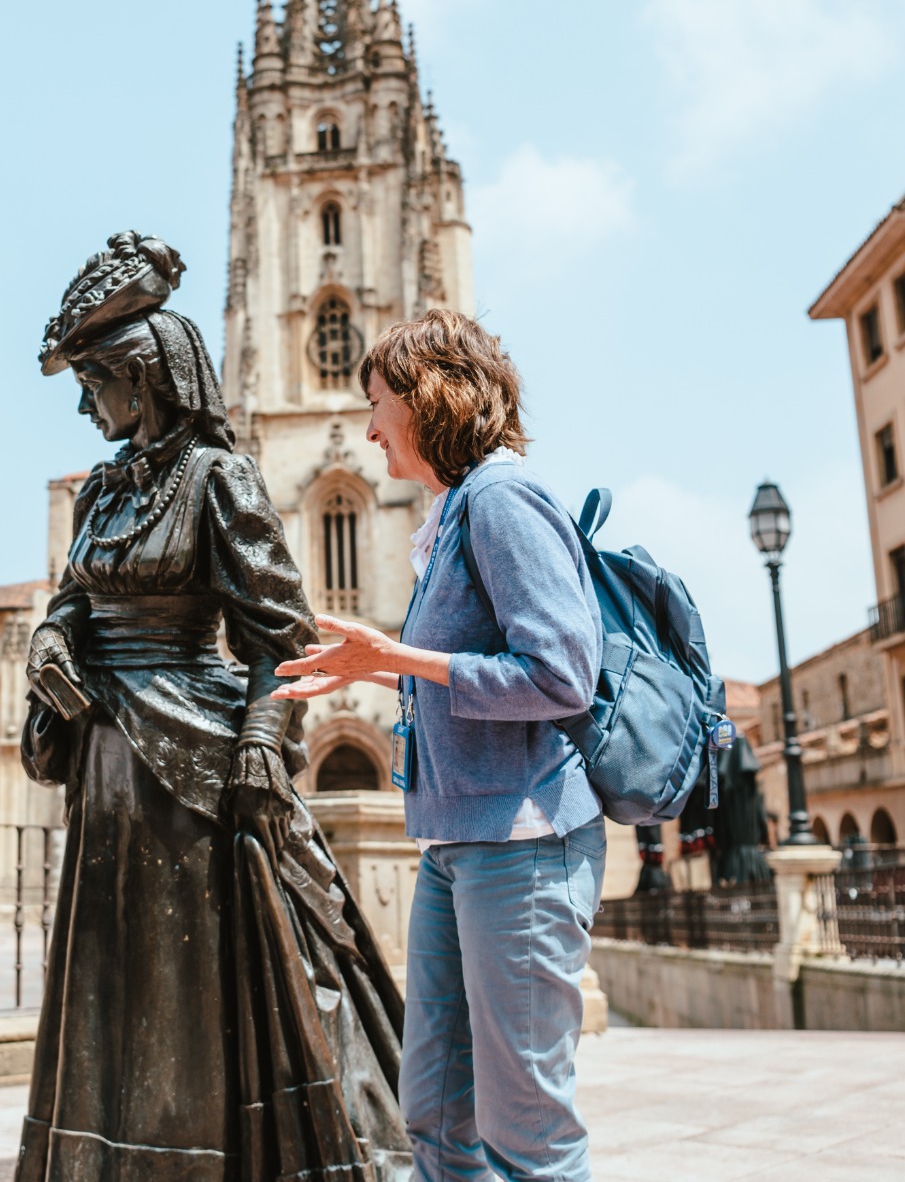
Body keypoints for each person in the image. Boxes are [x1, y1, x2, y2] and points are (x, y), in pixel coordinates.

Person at [18, 232, 409, 1182]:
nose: (83, 402)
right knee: (114, 995)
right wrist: (52, 642)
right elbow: (69, 603)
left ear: (142, 379)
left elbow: (281, 641)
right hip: (110, 775)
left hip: (192, 772)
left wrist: (261, 746)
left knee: (188, 999)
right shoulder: (102, 496)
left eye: (93, 381)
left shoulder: (218, 481)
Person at [274, 309, 607, 1182]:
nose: (373, 425)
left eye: (381, 401)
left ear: (430, 400)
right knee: (436, 1109)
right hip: (457, 843)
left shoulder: (503, 498)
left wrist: (395, 657)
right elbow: (465, 671)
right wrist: (376, 666)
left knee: (526, 1124)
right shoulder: (456, 510)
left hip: (523, 843)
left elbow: (561, 673)